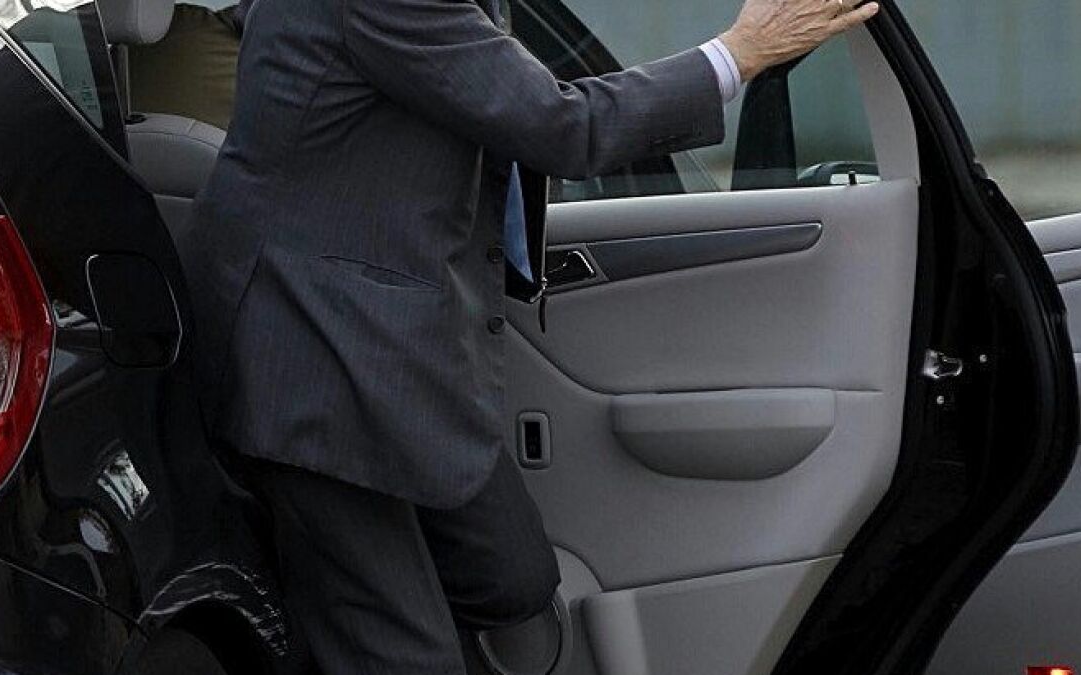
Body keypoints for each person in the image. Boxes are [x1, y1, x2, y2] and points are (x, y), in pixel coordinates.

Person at [180, 0, 880, 672]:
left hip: (380, 335)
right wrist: (739, 53)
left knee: (512, 579)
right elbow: (562, 125)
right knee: (405, 653)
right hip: (306, 350)